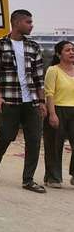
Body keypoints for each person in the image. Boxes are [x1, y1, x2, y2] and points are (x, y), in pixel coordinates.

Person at [0, 9, 47, 192]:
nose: (31, 25)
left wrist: (42, 101)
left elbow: (38, 77)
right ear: (17, 23)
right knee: (6, 135)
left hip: (31, 101)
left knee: (34, 140)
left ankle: (28, 180)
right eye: (28, 22)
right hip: (9, 99)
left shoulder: (34, 47)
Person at [42, 40, 74, 188]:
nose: (71, 52)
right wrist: (52, 114)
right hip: (58, 109)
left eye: (73, 50)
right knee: (54, 145)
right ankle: (53, 177)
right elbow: (49, 93)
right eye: (67, 50)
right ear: (58, 54)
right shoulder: (53, 70)